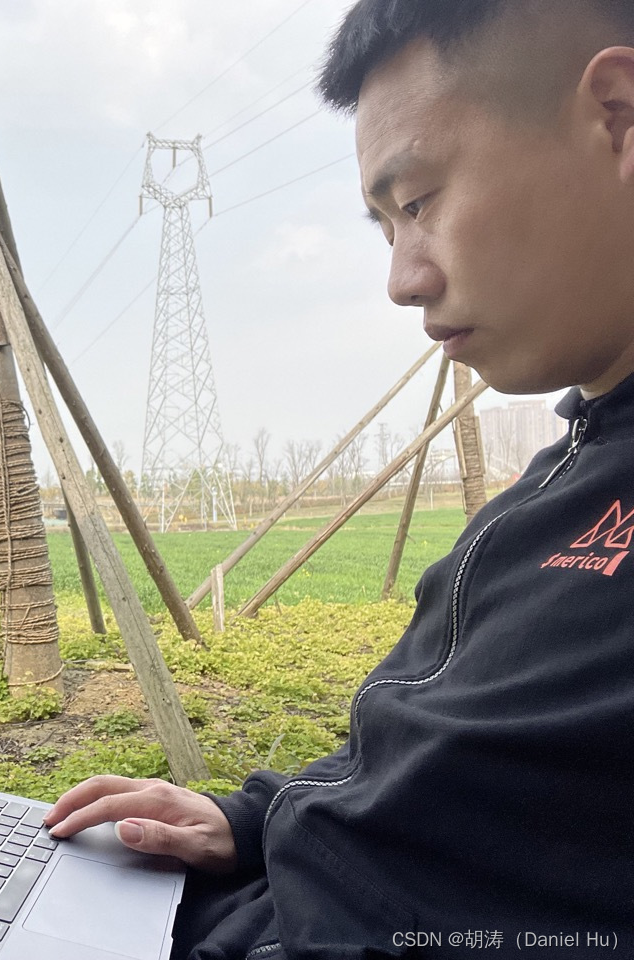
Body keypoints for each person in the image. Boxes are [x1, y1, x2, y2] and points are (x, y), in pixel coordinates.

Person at [43, 2, 634, 956]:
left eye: (418, 202)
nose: (402, 279)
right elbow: (447, 783)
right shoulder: (566, 474)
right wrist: (251, 821)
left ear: (616, 116)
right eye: (381, 225)